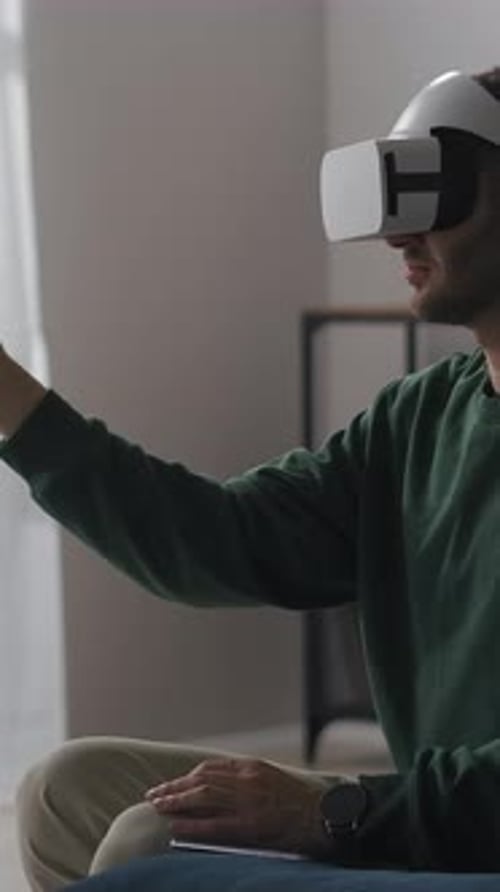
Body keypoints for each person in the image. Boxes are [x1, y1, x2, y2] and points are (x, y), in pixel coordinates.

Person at [6, 66, 500, 890]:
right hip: (425, 815)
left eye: (436, 192)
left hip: (470, 829)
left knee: (146, 840)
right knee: (66, 792)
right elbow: (220, 542)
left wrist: (332, 813)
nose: (398, 236)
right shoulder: (420, 419)